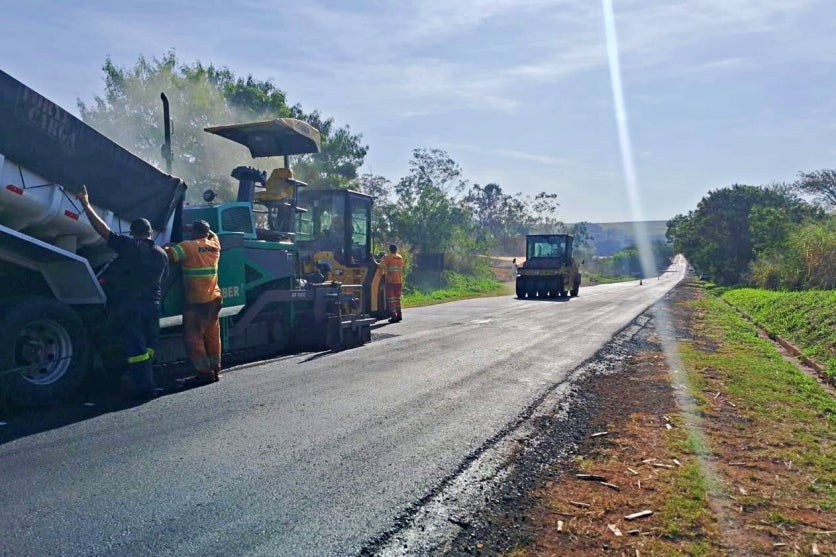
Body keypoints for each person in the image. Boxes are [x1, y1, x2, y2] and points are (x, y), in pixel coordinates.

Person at [75, 185, 168, 399]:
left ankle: (144, 387)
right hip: (152, 306)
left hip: (130, 306)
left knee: (136, 349)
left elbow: (104, 231)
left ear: (133, 234)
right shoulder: (161, 254)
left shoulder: (130, 246)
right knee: (149, 345)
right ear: (150, 233)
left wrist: (86, 205)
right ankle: (140, 379)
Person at [165, 220, 222, 385]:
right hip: (214, 298)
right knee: (212, 334)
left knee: (193, 337)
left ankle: (204, 372)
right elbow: (213, 234)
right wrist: (199, 229)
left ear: (193, 232)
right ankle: (215, 368)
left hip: (198, 301)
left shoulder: (187, 247)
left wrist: (167, 246)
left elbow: (167, 256)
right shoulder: (215, 245)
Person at [378, 243, 404, 323]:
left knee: (391, 300)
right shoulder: (400, 257)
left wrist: (373, 260)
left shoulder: (387, 257)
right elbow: (402, 266)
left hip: (391, 281)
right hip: (399, 281)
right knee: (397, 299)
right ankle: (399, 315)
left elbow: (380, 266)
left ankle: (393, 317)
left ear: (390, 250)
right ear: (396, 249)